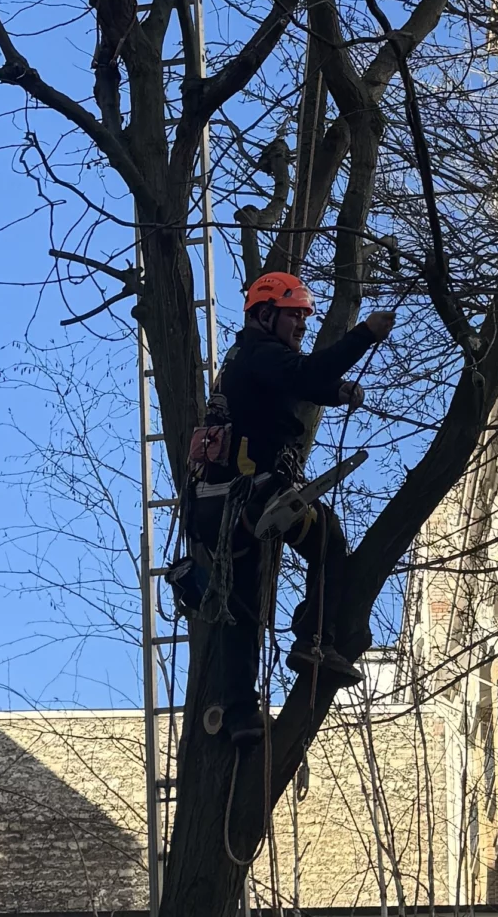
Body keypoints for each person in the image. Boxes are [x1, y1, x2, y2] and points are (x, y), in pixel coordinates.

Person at [186, 271, 394, 745]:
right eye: (294, 316)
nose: (302, 324)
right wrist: (364, 335)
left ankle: (239, 714)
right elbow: (302, 374)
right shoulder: (260, 353)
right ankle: (313, 640)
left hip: (219, 508)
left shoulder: (245, 360)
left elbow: (296, 383)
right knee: (329, 539)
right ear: (264, 315)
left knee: (242, 608)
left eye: (304, 317)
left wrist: (335, 393)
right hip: (254, 496)